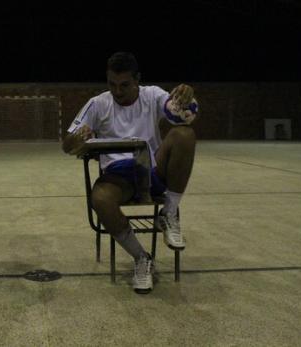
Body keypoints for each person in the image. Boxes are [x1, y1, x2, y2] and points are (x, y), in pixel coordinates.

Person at [62, 52, 197, 294]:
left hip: (153, 169)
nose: (118, 91)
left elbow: (178, 111)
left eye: (124, 85)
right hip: (118, 175)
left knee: (184, 134)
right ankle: (141, 258)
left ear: (137, 80)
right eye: (112, 84)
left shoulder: (153, 95)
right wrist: (77, 137)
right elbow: (66, 145)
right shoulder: (98, 103)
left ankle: (168, 212)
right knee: (101, 199)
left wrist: (184, 98)